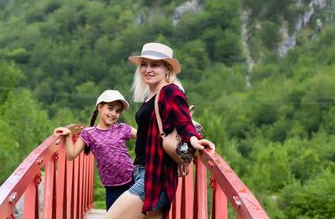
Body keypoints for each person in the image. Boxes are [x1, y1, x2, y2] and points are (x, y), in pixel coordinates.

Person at [106, 42, 215, 219]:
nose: (147, 69)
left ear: (167, 69)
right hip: (147, 173)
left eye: (154, 65)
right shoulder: (150, 95)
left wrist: (194, 140)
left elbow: (183, 121)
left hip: (153, 177)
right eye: (144, 64)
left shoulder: (170, 92)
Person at [54, 89, 137, 210]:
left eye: (118, 111)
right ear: (100, 107)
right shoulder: (89, 133)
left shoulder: (122, 128)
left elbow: (146, 137)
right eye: (110, 108)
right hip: (111, 187)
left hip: (131, 181)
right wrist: (67, 135)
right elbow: (71, 155)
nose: (114, 113)